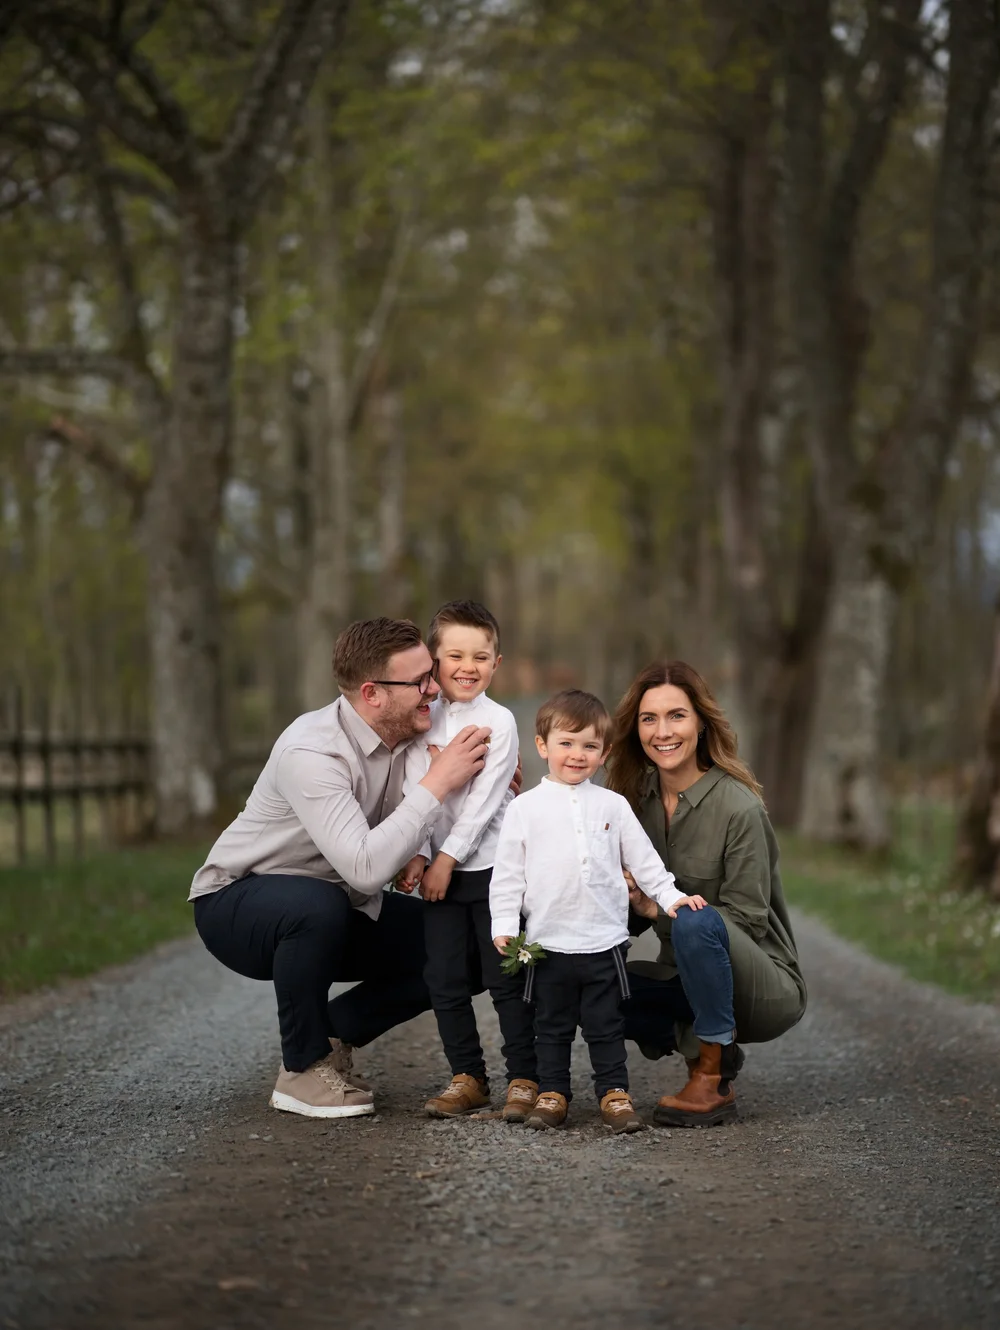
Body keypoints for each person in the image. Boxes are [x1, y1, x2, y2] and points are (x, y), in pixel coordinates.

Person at [189, 617, 492, 1120]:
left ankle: (329, 1034)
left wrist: (486, 790)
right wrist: (440, 782)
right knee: (317, 903)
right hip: (237, 905)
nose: (434, 689)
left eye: (432, 674)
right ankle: (301, 1070)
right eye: (419, 681)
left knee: (467, 945)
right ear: (372, 693)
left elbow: (441, 817)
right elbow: (366, 869)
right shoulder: (312, 750)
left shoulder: (417, 729)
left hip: (340, 905)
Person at [490, 690, 706, 1133]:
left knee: (605, 1025)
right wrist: (505, 925)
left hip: (604, 942)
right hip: (548, 943)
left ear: (604, 753)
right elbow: (508, 875)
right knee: (551, 1026)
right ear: (542, 746)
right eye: (566, 743)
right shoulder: (524, 809)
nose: (577, 754)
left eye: (589, 746)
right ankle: (553, 1094)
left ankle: (614, 1093)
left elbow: (644, 861)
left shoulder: (612, 805)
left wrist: (671, 898)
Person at [604, 661, 807, 1128]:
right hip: (685, 976)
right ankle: (544, 1081)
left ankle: (711, 1075)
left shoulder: (739, 808)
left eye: (676, 715)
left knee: (696, 920)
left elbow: (747, 920)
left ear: (700, 723)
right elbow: (624, 919)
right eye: (649, 718)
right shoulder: (631, 804)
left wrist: (659, 909)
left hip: (760, 984)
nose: (662, 732)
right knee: (582, 979)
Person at [398, 600, 538, 1123]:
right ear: (433, 660)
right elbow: (416, 791)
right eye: (455, 655)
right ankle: (468, 1077)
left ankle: (524, 1077)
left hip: (493, 871)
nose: (467, 666)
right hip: (439, 872)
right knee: (444, 978)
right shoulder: (424, 719)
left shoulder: (499, 721)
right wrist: (418, 852)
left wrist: (445, 859)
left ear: (496, 663)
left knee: (505, 977)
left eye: (480, 656)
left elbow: (483, 803)